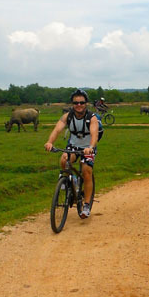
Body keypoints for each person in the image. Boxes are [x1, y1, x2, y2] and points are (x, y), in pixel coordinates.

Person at [44, 89, 100, 219]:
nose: (79, 105)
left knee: (86, 171)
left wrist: (90, 147)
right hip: (74, 145)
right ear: (72, 104)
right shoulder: (67, 116)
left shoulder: (92, 118)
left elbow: (94, 134)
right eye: (76, 103)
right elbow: (57, 130)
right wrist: (49, 142)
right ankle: (72, 181)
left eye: (81, 102)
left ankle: (86, 204)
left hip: (88, 148)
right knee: (64, 160)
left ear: (86, 103)